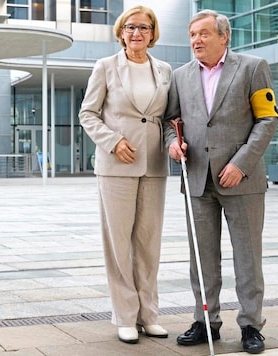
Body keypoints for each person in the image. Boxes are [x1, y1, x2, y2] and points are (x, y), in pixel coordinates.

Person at [163, 9, 278, 354]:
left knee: (247, 256)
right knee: (201, 258)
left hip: (241, 181)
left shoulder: (252, 67)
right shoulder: (180, 75)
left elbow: (267, 120)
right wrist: (173, 141)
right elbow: (171, 120)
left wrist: (241, 163)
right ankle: (205, 321)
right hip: (197, 179)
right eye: (192, 35)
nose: (196, 40)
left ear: (223, 36)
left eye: (203, 34)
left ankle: (251, 326)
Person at [79, 5, 171, 345]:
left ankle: (150, 314)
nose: (137, 33)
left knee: (148, 244)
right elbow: (87, 114)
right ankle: (126, 316)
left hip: (154, 166)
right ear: (121, 32)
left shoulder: (164, 70)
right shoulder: (105, 67)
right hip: (116, 166)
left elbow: (168, 116)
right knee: (119, 243)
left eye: (144, 28)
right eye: (131, 27)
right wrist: (113, 141)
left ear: (152, 33)